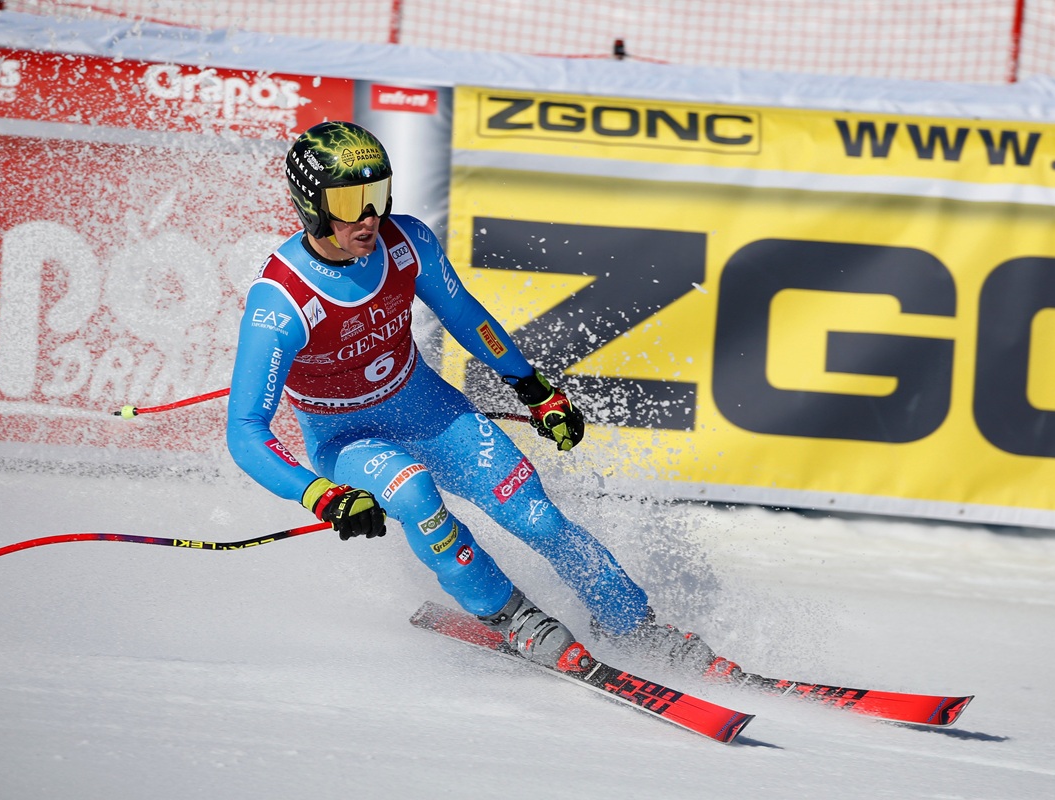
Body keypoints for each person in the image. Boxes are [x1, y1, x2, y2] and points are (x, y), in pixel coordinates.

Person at [226, 120, 739, 679]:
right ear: (311, 206)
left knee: (538, 517)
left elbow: (465, 315)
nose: (369, 217)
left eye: (377, 195)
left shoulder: (408, 241)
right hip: (348, 438)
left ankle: (634, 624)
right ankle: (510, 614)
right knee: (417, 495)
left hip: (424, 406)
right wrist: (320, 495)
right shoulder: (280, 301)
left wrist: (533, 388)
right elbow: (246, 431)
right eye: (350, 201)